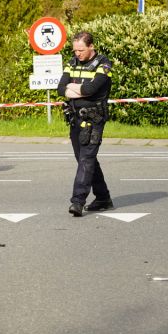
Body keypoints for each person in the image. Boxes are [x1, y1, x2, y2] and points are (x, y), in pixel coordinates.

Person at [57, 31, 114, 217]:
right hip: (75, 118)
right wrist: (80, 91)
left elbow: (92, 89)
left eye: (81, 50)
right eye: (75, 50)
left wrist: (72, 89)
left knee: (86, 159)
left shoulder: (104, 64)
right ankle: (103, 197)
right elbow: (60, 89)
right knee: (84, 159)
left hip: (94, 118)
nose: (77, 54)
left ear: (91, 47)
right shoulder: (71, 62)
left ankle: (77, 201)